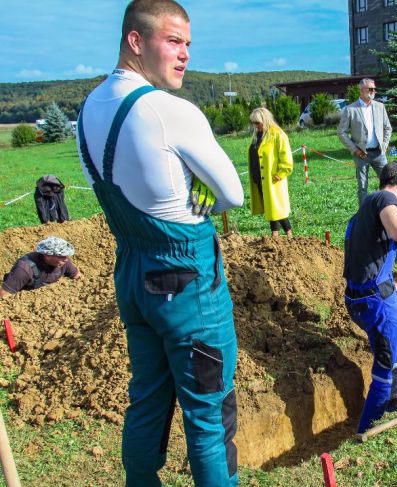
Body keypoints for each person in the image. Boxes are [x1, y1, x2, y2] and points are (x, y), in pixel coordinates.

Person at [75, 1, 244, 485]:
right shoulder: (169, 111)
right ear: (135, 41)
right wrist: (199, 188)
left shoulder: (87, 110)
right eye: (173, 41)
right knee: (210, 415)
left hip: (131, 274)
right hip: (188, 286)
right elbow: (232, 192)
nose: (185, 53)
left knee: (147, 398)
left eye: (188, 43)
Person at [343, 161, 397, 434]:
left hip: (369, 296)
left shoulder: (365, 211)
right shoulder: (384, 198)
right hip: (373, 304)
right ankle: (368, 432)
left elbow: (368, 264)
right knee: (389, 367)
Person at [338, 78, 392, 206]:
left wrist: (384, 146)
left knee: (388, 183)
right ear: (362, 90)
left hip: (379, 153)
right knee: (362, 187)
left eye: (374, 89)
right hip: (361, 154)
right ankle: (364, 215)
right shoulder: (350, 109)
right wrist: (355, 150)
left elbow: (388, 128)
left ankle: (387, 209)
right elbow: (341, 132)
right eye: (370, 89)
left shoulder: (380, 106)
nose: (373, 92)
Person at [248, 107, 294, 237]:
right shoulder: (258, 135)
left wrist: (281, 173)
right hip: (260, 178)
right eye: (253, 123)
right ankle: (278, 235)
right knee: (271, 207)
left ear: (265, 120)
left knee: (276, 207)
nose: (255, 126)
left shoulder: (278, 134)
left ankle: (285, 235)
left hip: (273, 179)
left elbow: (286, 158)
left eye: (257, 123)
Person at [1, 237, 80, 297]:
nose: (66, 259)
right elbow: (4, 296)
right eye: (61, 256)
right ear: (47, 256)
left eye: (66, 255)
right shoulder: (24, 269)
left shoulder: (63, 262)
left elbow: (78, 278)